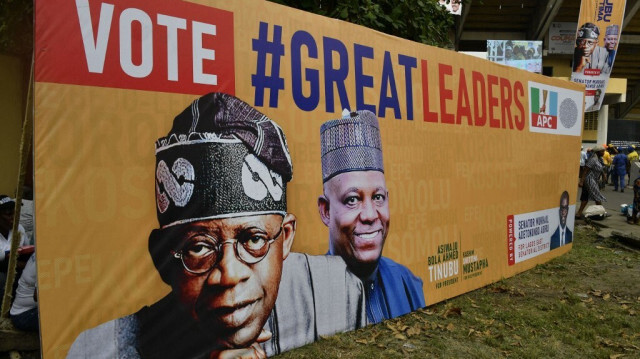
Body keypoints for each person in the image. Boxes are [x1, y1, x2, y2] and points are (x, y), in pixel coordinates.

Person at [68, 93, 366, 359]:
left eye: (254, 239)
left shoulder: (334, 295)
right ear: (162, 257)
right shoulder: (101, 350)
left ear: (285, 237)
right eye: (198, 247)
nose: (230, 274)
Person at [317, 110, 425, 325]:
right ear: (326, 211)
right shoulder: (310, 296)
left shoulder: (407, 282)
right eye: (352, 200)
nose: (369, 215)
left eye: (378, 197)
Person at [0, 195, 29, 298]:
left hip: (18, 269)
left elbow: (27, 249)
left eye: (15, 213)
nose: (14, 217)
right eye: (9, 214)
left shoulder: (19, 228)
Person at [10, 252, 38, 332]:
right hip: (23, 314)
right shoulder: (44, 260)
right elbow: (38, 296)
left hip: (28, 310)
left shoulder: (38, 252)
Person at [577, 146, 607, 219]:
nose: (603, 153)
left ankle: (579, 213)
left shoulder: (599, 159)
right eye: (602, 151)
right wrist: (581, 181)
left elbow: (601, 168)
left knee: (586, 196)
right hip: (589, 179)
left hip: (594, 179)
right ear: (597, 152)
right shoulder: (593, 159)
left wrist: (603, 175)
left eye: (603, 151)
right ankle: (601, 212)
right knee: (596, 195)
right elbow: (585, 170)